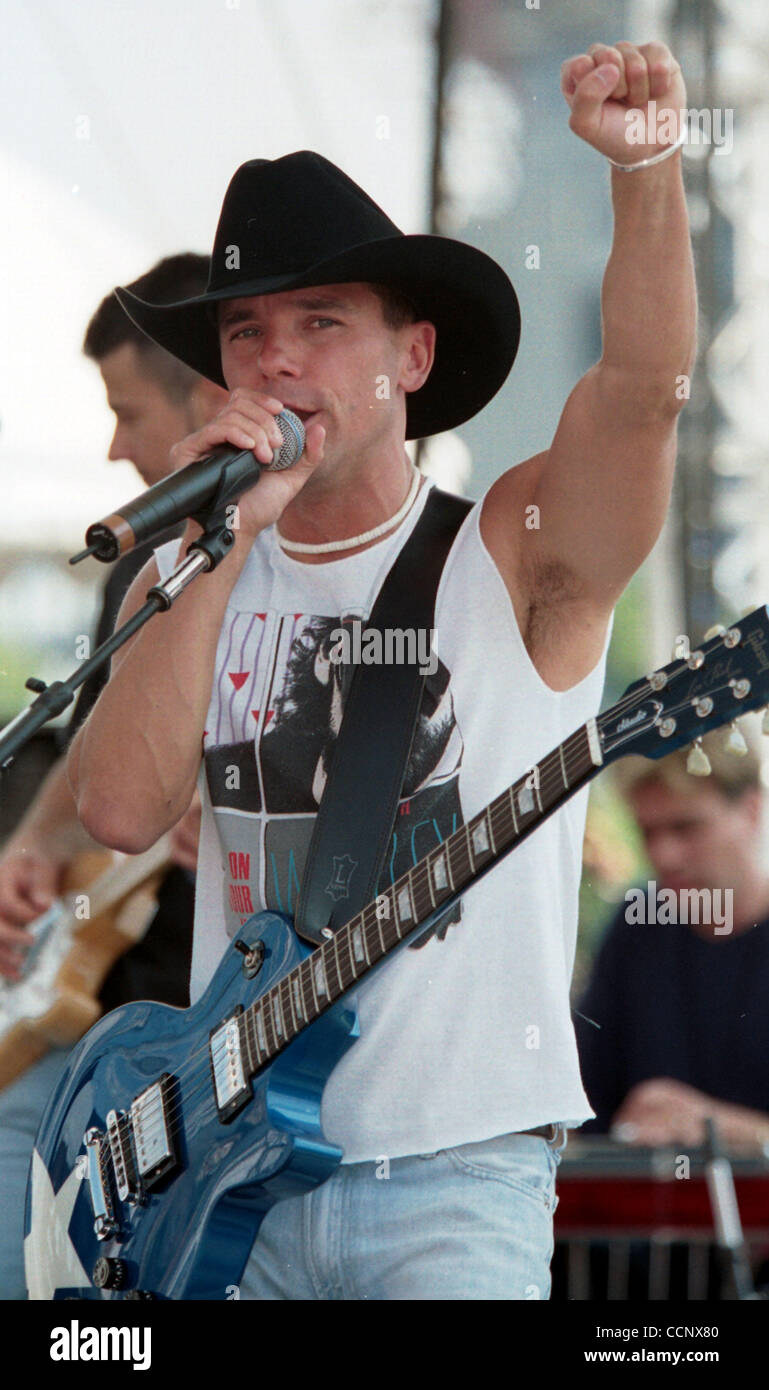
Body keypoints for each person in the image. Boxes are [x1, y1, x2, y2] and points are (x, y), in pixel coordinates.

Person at [67, 41, 697, 1300]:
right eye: (246, 334)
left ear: (410, 359)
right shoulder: (192, 568)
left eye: (319, 323)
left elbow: (640, 394)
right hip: (222, 1187)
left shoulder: (514, 550)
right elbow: (120, 812)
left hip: (451, 1182)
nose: (276, 360)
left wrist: (646, 173)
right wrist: (226, 537)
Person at [0, 253, 226, 1299]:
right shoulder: (145, 571)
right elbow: (91, 757)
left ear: (205, 405)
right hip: (99, 1025)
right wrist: (31, 855)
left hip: (219, 1037)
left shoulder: (333, 574)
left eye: (126, 412)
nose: (112, 446)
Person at [575, 728, 769, 1150]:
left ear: (753, 809)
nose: (664, 856)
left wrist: (719, 1129)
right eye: (648, 832)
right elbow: (582, 1115)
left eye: (687, 828)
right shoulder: (635, 929)